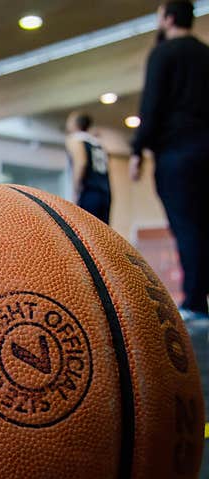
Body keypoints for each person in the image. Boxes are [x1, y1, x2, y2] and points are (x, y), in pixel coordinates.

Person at [130, 1, 209, 323]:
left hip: (178, 153)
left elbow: (152, 103)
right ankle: (198, 296)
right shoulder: (206, 54)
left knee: (186, 225)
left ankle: (194, 301)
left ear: (169, 17)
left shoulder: (164, 53)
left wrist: (137, 149)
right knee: (204, 225)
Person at [65, 112, 112, 224]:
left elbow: (81, 163)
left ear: (75, 124)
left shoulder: (75, 139)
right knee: (102, 232)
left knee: (86, 231)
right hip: (105, 191)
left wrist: (76, 190)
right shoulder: (97, 142)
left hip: (89, 191)